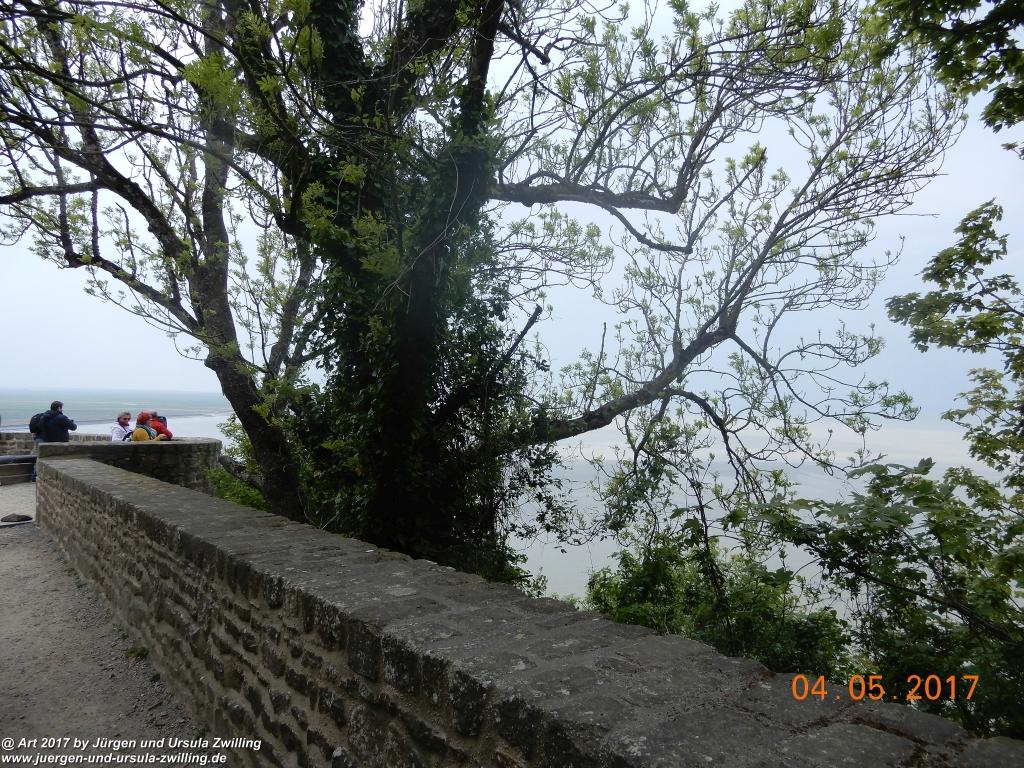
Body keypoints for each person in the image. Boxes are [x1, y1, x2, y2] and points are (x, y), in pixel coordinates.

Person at [32, 400, 77, 480]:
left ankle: (34, 477)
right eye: (61, 408)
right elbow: (73, 427)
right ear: (59, 408)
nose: (62, 409)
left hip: (41, 439)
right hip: (54, 442)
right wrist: (70, 422)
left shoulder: (45, 415)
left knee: (39, 458)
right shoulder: (61, 417)